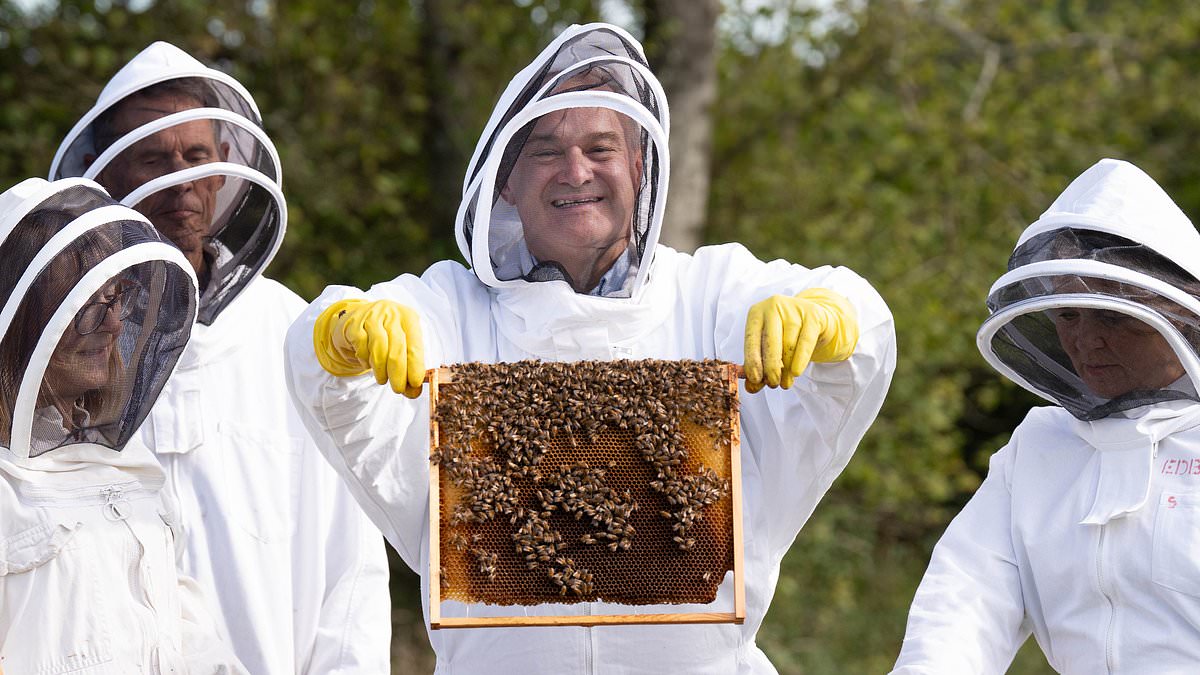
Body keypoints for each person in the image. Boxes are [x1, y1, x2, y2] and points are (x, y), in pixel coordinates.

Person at [285, 22, 896, 673]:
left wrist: (834, 317)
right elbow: (329, 359)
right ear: (507, 181)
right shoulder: (453, 310)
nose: (576, 170)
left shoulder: (711, 292)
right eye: (546, 150)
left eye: (600, 147)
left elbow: (855, 322)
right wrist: (337, 332)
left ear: (639, 164)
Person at [50, 42, 390, 674]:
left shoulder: (293, 330)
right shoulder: (63, 346)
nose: (179, 178)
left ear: (223, 168)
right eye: (153, 158)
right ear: (107, 176)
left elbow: (352, 559)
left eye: (196, 155)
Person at [890, 158, 1200, 674]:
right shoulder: (1038, 447)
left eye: (1113, 315)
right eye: (1068, 314)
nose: (1086, 341)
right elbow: (966, 598)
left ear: (1179, 314)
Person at [0, 176, 246, 673]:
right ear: (23, 318)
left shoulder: (131, 467)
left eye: (117, 299)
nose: (113, 325)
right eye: (87, 305)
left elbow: (188, 643)